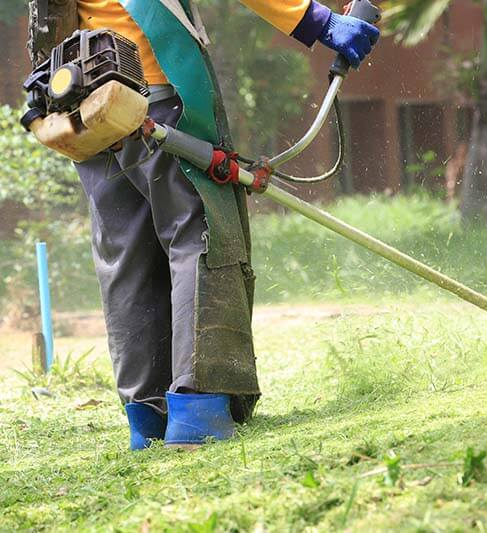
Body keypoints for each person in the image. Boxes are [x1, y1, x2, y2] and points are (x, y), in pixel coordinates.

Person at [27, 0, 379, 450]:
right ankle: (200, 409)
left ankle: (147, 419)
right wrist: (320, 21)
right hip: (152, 90)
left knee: (127, 257)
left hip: (86, 102)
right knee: (199, 234)